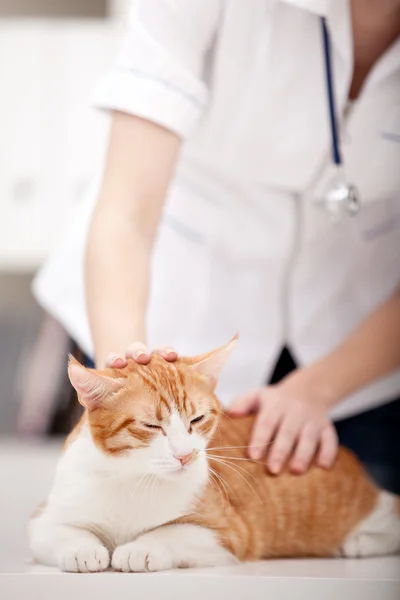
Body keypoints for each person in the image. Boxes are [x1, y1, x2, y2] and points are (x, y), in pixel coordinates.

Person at [33, 0, 400, 491]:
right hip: (165, 316)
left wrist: (318, 389)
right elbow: (125, 215)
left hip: (359, 347)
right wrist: (130, 391)